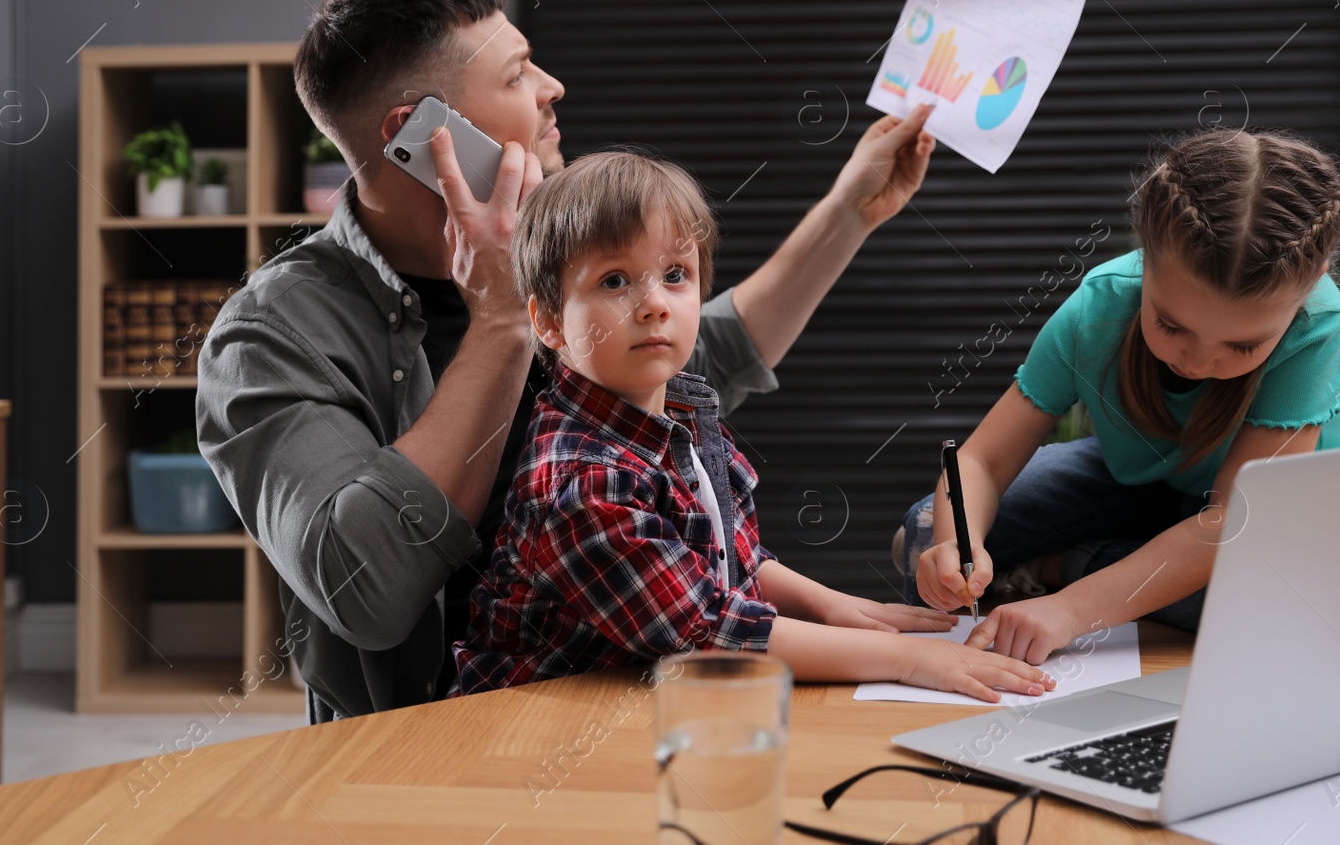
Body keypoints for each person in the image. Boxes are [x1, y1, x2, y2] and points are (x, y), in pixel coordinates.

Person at [195, 0, 942, 721]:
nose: (553, 87)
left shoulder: (553, 242)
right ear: (418, 136)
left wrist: (852, 207)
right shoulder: (268, 337)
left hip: (632, 702)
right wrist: (499, 319)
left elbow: (704, 353)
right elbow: (367, 595)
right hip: (426, 750)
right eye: (518, 74)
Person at [451, 152, 1056, 702]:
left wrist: (836, 606)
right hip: (534, 723)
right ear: (549, 323)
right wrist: (903, 659)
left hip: (652, 698)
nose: (654, 302)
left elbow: (727, 558)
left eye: (675, 274)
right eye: (614, 280)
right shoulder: (581, 479)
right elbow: (707, 630)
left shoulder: (681, 413)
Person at [898, 128, 1340, 665]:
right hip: (1149, 485)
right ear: (1146, 256)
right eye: (1170, 324)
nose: (1197, 361)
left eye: (1242, 345)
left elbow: (1230, 520)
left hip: (1270, 523)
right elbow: (982, 458)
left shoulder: (1320, 328)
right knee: (925, 530)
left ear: (1313, 283)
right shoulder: (1101, 304)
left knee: (1273, 603)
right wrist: (958, 540)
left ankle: (1061, 567)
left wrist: (1070, 608)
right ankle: (1119, 568)